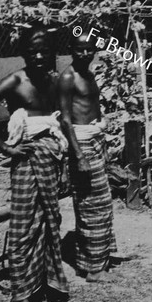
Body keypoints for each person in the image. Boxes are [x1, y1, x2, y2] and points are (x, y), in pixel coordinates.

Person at [0, 26, 68, 302]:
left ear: (52, 53)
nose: (39, 55)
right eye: (32, 51)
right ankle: (19, 295)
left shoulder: (53, 81)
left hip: (51, 157)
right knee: (24, 225)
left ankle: (45, 283)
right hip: (25, 161)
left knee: (49, 220)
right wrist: (6, 148)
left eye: (45, 50)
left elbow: (59, 122)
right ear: (24, 54)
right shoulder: (15, 81)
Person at [58, 32, 116, 283]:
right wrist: (78, 154)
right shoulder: (68, 77)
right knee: (89, 204)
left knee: (101, 202)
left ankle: (95, 259)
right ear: (71, 49)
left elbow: (93, 105)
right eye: (80, 49)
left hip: (93, 138)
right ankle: (92, 268)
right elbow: (65, 117)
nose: (85, 54)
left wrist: (101, 131)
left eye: (89, 49)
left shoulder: (89, 74)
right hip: (80, 144)